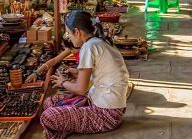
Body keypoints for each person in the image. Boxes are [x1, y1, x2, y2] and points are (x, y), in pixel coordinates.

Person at [40, 10, 129, 139]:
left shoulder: (89, 47)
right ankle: (65, 128)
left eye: (69, 33)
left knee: (48, 116)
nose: (68, 36)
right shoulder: (99, 42)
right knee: (49, 102)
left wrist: (62, 82)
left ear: (77, 32)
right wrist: (78, 73)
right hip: (102, 103)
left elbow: (81, 90)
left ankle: (60, 131)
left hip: (107, 114)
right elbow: (102, 74)